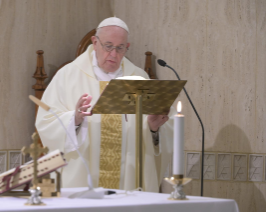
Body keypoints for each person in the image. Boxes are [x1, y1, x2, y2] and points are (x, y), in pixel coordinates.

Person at [36, 17, 175, 192]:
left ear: (127, 47)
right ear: (95, 42)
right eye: (108, 46)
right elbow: (46, 123)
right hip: (82, 181)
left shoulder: (139, 78)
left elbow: (157, 136)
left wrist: (153, 129)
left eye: (120, 48)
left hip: (129, 182)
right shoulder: (68, 76)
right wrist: (75, 119)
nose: (114, 54)